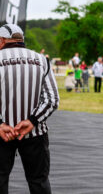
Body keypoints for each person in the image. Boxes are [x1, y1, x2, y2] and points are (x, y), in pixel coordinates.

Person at [0, 24, 59, 193]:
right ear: (21, 40)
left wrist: (1, 124)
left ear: (2, 40)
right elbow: (52, 100)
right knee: (38, 182)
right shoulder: (41, 60)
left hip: (2, 133)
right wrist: (31, 121)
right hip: (35, 133)